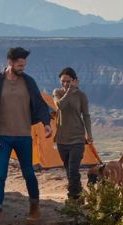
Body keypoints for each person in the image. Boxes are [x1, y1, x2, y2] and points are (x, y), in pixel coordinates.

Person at [0, 47, 53, 225]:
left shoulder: (28, 82)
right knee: (0, 175)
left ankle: (34, 207)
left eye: (24, 65)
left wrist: (46, 123)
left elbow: (39, 103)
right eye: (19, 65)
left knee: (29, 173)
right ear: (10, 62)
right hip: (2, 137)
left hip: (23, 136)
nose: (22, 68)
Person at [53, 67, 94, 201]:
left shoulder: (81, 96)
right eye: (63, 82)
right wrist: (70, 90)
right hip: (61, 139)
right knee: (68, 170)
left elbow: (86, 115)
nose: (65, 84)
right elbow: (60, 106)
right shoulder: (57, 92)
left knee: (73, 169)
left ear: (75, 81)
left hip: (77, 137)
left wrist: (89, 134)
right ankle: (79, 193)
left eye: (68, 81)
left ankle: (73, 197)